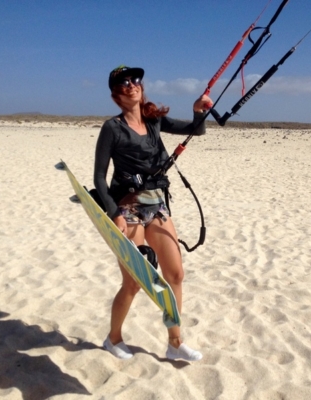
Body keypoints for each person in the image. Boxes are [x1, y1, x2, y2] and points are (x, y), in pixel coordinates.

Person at [94, 65, 212, 361]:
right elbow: (98, 176)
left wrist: (198, 111)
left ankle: (175, 344)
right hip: (128, 208)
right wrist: (114, 213)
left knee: (175, 274)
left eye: (135, 80)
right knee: (134, 282)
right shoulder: (113, 128)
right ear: (115, 95)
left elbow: (195, 130)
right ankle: (113, 338)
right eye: (123, 82)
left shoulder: (154, 120)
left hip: (157, 206)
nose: (131, 84)